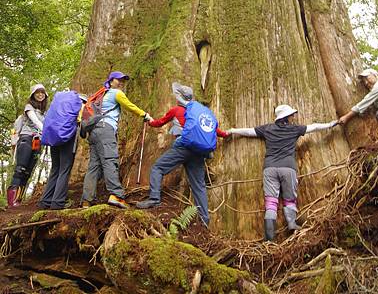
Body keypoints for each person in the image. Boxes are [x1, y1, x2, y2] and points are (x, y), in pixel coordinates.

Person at [228, 104, 338, 241]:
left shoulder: (268, 128)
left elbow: (249, 131)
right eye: (292, 115)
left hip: (270, 168)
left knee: (271, 202)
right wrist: (331, 124)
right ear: (287, 117)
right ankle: (291, 223)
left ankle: (269, 238)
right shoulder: (294, 129)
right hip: (288, 168)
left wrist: (233, 130)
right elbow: (314, 127)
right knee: (289, 198)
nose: (293, 117)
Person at [136, 82, 228, 227]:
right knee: (199, 185)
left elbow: (159, 123)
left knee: (158, 168)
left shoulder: (176, 110)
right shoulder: (200, 114)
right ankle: (205, 219)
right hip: (198, 152)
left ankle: (154, 199)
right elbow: (217, 131)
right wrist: (227, 134)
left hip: (183, 147)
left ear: (180, 98)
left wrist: (150, 122)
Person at [81, 71, 153, 210]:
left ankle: (86, 201)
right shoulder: (115, 93)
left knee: (94, 166)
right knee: (110, 161)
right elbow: (129, 106)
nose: (121, 83)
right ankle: (116, 195)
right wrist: (145, 115)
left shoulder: (102, 95)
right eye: (118, 80)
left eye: (123, 81)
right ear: (111, 80)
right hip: (106, 130)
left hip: (94, 132)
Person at [38, 90, 86, 210]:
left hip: (54, 137)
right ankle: (58, 202)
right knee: (64, 170)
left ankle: (45, 201)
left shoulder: (60, 106)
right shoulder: (79, 106)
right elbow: (81, 125)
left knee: (55, 169)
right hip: (68, 139)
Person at [7, 84, 48, 207]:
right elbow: (35, 121)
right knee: (20, 169)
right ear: (33, 95)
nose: (40, 95)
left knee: (27, 172)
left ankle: (18, 200)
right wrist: (47, 133)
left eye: (42, 93)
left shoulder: (44, 112)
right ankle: (11, 201)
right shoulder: (29, 107)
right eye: (37, 93)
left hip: (38, 142)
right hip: (27, 138)